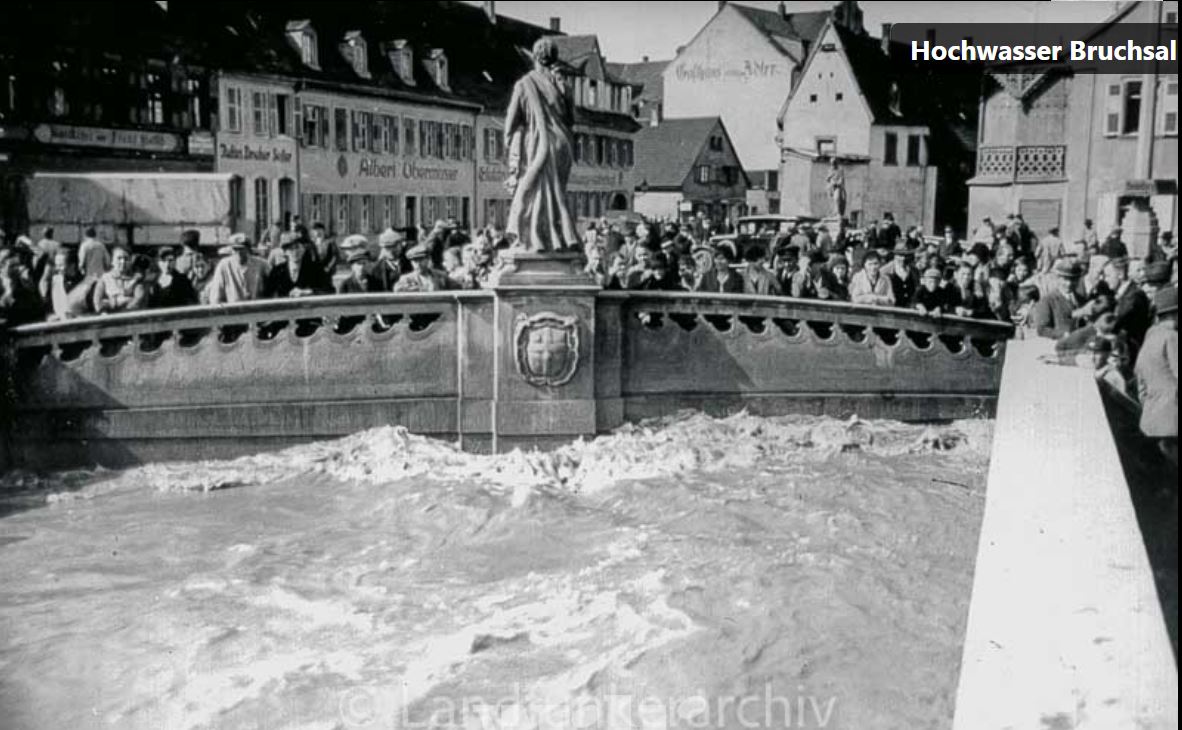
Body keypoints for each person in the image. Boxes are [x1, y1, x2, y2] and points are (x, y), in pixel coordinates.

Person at [503, 37, 579, 251]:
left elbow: (511, 124)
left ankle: (534, 239)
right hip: (563, 144)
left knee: (532, 193)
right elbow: (572, 119)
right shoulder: (563, 85)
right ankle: (563, 238)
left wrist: (512, 147)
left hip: (539, 144)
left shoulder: (524, 84)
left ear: (534, 57)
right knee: (556, 192)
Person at [1134, 286, 1178, 464]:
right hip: (1173, 418)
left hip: (1151, 418)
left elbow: (1140, 379)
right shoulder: (1172, 337)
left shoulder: (1151, 335)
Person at [1102, 257, 1152, 357]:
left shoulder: (1133, 296)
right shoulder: (1126, 294)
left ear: (1120, 275)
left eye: (1107, 275)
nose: (1104, 279)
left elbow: (1115, 323)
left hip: (1132, 353)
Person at [264, 232, 332, 298]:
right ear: (285, 252)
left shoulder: (315, 269)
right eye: (291, 248)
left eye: (297, 247)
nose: (295, 252)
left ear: (304, 249)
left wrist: (307, 292)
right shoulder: (277, 271)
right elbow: (267, 294)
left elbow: (329, 290)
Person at [1030, 258, 1085, 338]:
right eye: (1065, 279)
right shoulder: (1047, 300)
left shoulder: (1081, 300)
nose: (1069, 284)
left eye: (1073, 280)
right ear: (1058, 278)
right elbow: (1042, 329)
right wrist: (1063, 334)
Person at [207, 234, 266, 304]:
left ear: (248, 249)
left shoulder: (261, 264)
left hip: (256, 309)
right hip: (234, 310)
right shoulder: (224, 265)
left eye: (241, 249)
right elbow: (216, 295)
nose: (238, 252)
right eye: (235, 249)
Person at [91, 246, 147, 313]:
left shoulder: (136, 279)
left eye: (126, 259)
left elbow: (139, 298)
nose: (123, 262)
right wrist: (103, 311)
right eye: (119, 258)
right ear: (112, 261)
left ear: (130, 261)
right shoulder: (105, 278)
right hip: (108, 315)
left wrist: (126, 310)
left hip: (130, 314)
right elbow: (97, 299)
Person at [39, 248, 86, 320]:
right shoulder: (55, 282)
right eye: (56, 265)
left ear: (72, 265)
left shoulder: (85, 283)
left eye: (61, 265)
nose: (57, 269)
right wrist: (51, 317)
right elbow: (49, 310)